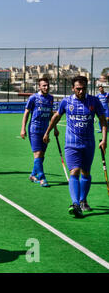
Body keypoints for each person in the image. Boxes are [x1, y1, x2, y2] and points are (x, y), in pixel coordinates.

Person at [43, 76, 107, 218]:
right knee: (75, 171)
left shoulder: (94, 101)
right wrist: (47, 132)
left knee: (85, 173)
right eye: (78, 88)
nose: (81, 91)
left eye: (84, 88)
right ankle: (75, 203)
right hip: (71, 144)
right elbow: (56, 117)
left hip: (88, 143)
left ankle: (83, 200)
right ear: (73, 88)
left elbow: (103, 121)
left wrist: (104, 140)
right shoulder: (66, 101)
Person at [20, 78, 59, 187]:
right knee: (37, 154)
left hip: (46, 130)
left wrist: (55, 128)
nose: (46, 87)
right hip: (34, 129)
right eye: (44, 86)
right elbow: (26, 113)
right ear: (39, 87)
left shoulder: (51, 98)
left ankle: (33, 174)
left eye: (47, 85)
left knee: (42, 155)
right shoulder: (33, 98)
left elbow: (51, 114)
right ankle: (42, 178)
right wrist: (23, 128)